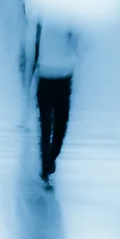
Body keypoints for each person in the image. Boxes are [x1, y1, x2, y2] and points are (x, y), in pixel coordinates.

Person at [24, 17, 79, 188]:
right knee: (49, 125)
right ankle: (46, 167)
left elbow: (77, 43)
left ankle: (49, 161)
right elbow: (35, 46)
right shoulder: (42, 18)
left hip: (58, 75)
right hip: (50, 75)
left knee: (56, 125)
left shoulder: (69, 16)